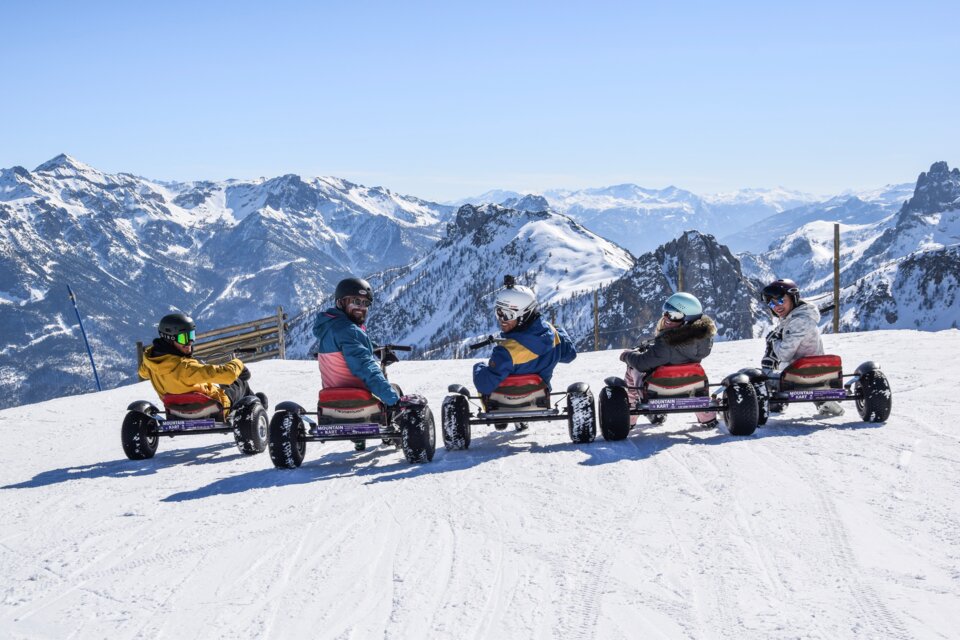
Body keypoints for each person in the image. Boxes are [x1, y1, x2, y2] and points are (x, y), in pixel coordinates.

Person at [472, 277, 577, 431]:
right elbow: (570, 355)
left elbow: (484, 384)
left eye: (507, 315)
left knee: (481, 370)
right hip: (539, 397)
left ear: (524, 315)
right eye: (498, 312)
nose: (501, 320)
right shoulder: (553, 336)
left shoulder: (506, 352)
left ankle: (495, 413)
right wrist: (558, 331)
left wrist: (479, 368)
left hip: (505, 401)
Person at [619, 292, 717, 427]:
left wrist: (627, 355)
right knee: (693, 373)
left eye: (674, 316)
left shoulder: (667, 342)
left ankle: (631, 414)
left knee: (632, 368)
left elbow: (642, 363)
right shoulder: (704, 341)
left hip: (660, 390)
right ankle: (706, 417)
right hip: (693, 387)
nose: (666, 317)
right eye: (666, 311)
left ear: (688, 320)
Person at [138, 312, 266, 412]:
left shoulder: (151, 362)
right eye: (184, 338)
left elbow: (143, 373)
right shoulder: (186, 368)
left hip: (175, 408)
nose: (189, 343)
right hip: (212, 407)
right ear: (169, 339)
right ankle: (256, 407)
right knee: (239, 383)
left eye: (191, 336)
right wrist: (238, 363)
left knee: (219, 384)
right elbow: (228, 375)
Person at [312, 276, 401, 409]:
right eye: (355, 301)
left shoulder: (330, 326)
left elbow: (350, 343)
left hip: (330, 401)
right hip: (358, 403)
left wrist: (375, 347)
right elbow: (365, 368)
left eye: (365, 303)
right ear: (340, 303)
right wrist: (394, 400)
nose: (361, 307)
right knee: (400, 400)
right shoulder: (349, 331)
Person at [760, 278, 844, 417]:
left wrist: (774, 340)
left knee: (759, 375)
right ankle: (823, 402)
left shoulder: (797, 322)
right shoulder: (801, 318)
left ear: (793, 297)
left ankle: (774, 402)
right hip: (820, 373)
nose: (776, 306)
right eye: (771, 303)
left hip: (798, 376)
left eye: (780, 300)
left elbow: (784, 355)